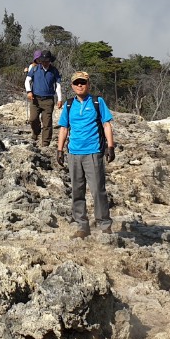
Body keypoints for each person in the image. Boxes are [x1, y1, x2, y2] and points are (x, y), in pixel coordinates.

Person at [56, 71, 115, 237]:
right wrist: (59, 150)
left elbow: (106, 124)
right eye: (76, 83)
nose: (80, 85)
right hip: (74, 153)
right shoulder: (68, 105)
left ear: (88, 84)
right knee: (77, 191)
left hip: (93, 152)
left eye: (83, 82)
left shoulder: (97, 102)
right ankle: (82, 226)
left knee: (97, 190)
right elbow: (64, 128)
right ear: (72, 86)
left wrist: (110, 146)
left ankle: (104, 224)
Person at [24, 49, 62, 147]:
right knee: (33, 119)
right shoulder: (35, 69)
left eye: (47, 61)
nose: (45, 63)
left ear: (50, 61)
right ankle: (36, 132)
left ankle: (45, 143)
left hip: (48, 100)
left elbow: (58, 85)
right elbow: (27, 80)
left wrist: (60, 99)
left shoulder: (54, 71)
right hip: (35, 99)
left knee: (47, 123)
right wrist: (29, 91)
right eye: (43, 61)